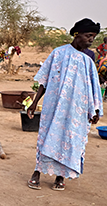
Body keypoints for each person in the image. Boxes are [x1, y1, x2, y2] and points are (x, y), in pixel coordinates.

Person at [26, 18, 102, 191]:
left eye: (93, 37)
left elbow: (93, 87)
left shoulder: (89, 59)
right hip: (54, 107)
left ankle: (61, 176)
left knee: (70, 140)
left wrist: (95, 109)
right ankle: (37, 173)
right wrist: (34, 103)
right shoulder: (58, 54)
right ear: (77, 35)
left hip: (77, 111)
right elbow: (44, 80)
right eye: (88, 36)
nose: (91, 40)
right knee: (47, 137)